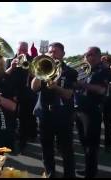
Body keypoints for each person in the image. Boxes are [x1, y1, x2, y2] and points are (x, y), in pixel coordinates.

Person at [31, 42, 77, 178]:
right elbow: (33, 88)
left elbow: (68, 94)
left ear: (63, 54)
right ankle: (50, 174)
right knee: (47, 149)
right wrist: (38, 73)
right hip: (45, 114)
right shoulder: (43, 67)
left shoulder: (70, 72)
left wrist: (56, 88)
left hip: (63, 114)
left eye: (55, 52)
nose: (52, 54)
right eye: (50, 52)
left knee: (66, 150)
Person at [74, 47, 109, 178]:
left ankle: (91, 172)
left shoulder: (103, 70)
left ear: (99, 56)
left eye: (92, 55)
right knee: (84, 142)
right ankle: (89, 168)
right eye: (87, 55)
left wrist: (82, 85)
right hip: (79, 109)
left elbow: (101, 90)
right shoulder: (83, 69)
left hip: (92, 111)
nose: (89, 57)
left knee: (91, 144)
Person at [5, 41, 37, 153]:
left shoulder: (32, 60)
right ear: (17, 49)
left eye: (24, 49)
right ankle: (11, 145)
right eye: (20, 49)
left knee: (25, 120)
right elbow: (4, 75)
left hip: (26, 94)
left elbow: (37, 77)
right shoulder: (9, 59)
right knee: (11, 121)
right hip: (11, 93)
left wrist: (30, 70)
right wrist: (12, 67)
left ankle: (23, 144)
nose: (22, 51)